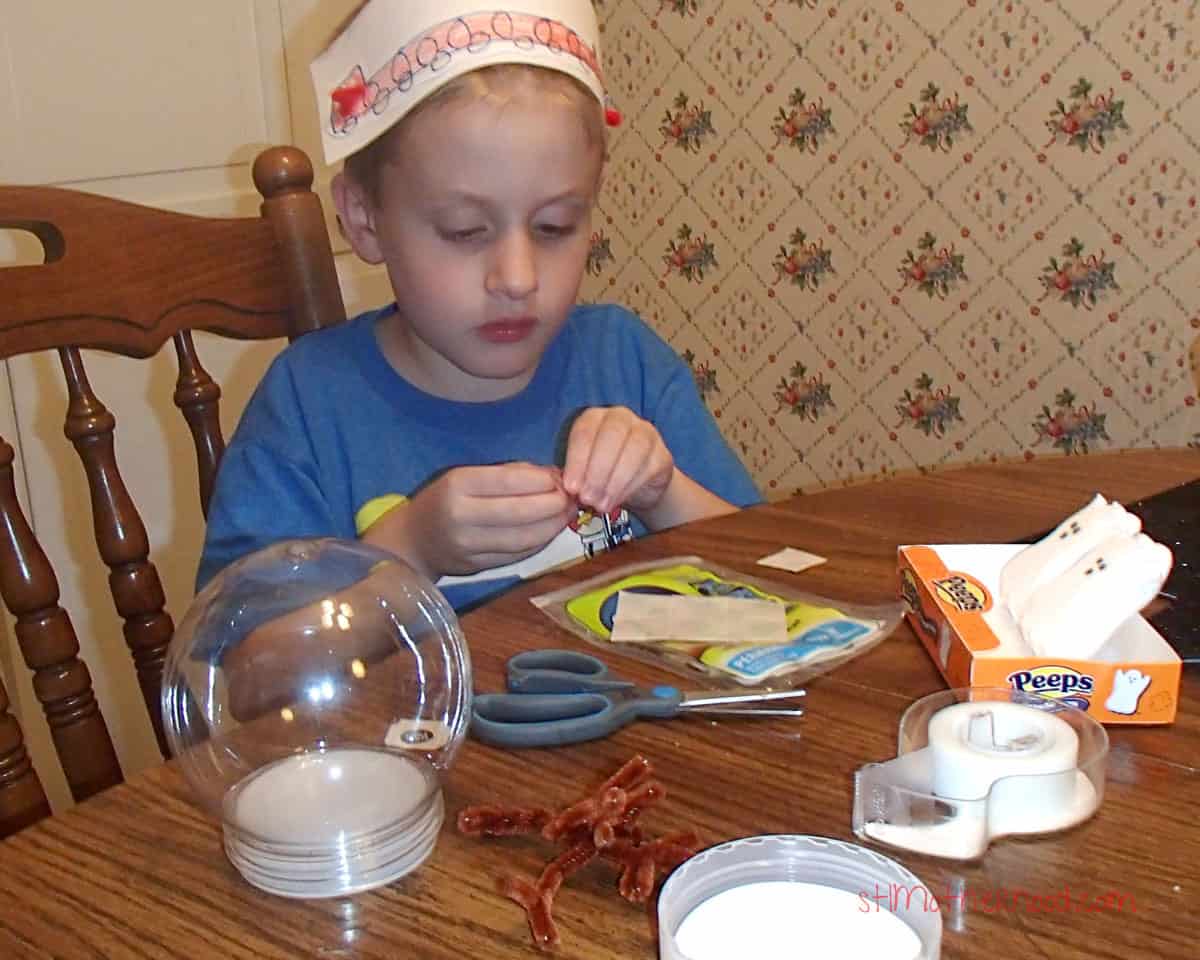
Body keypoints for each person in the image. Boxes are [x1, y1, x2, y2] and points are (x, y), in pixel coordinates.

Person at [196, 0, 761, 611]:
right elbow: (244, 678)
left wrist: (663, 492)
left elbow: (775, 584)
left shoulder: (626, 361)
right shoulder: (309, 406)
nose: (517, 278)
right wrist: (410, 548)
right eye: (465, 231)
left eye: (553, 226)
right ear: (364, 219)